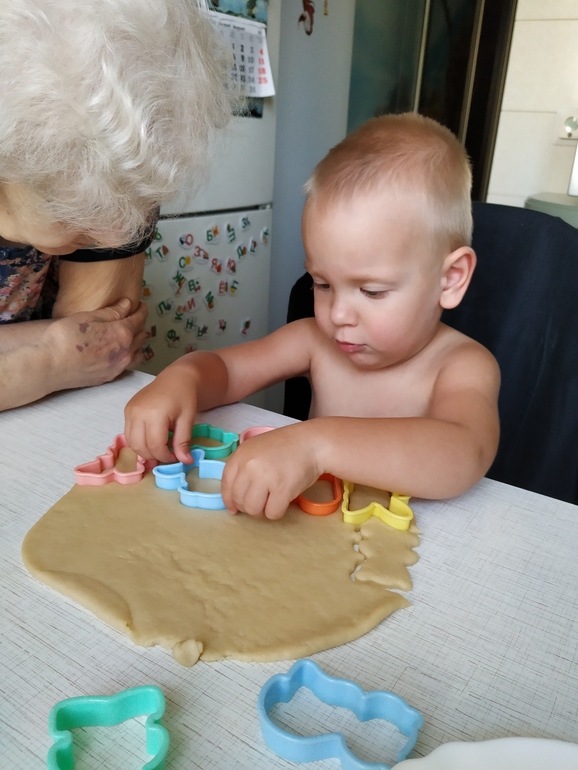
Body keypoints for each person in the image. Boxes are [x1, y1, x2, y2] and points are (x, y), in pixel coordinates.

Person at [124, 113, 501, 519]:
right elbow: (228, 372)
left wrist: (315, 445)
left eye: (372, 291)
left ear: (450, 279)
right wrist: (183, 378)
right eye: (322, 284)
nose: (337, 314)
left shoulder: (463, 366)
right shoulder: (312, 340)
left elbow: (465, 452)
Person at [0, 0, 234, 411]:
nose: (118, 235)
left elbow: (97, 348)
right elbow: (73, 353)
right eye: (80, 213)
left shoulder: (124, 162)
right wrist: (48, 363)